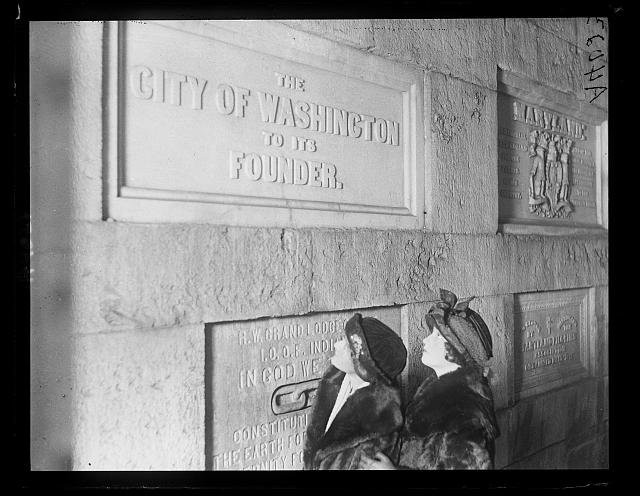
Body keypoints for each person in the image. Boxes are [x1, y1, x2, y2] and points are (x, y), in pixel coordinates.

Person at [360, 289, 500, 470]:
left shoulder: (466, 416)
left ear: (456, 352)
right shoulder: (435, 390)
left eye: (437, 337)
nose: (426, 340)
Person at [303, 313, 407, 470]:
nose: (337, 345)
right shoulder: (334, 380)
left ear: (363, 366)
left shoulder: (381, 423)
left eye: (347, 347)